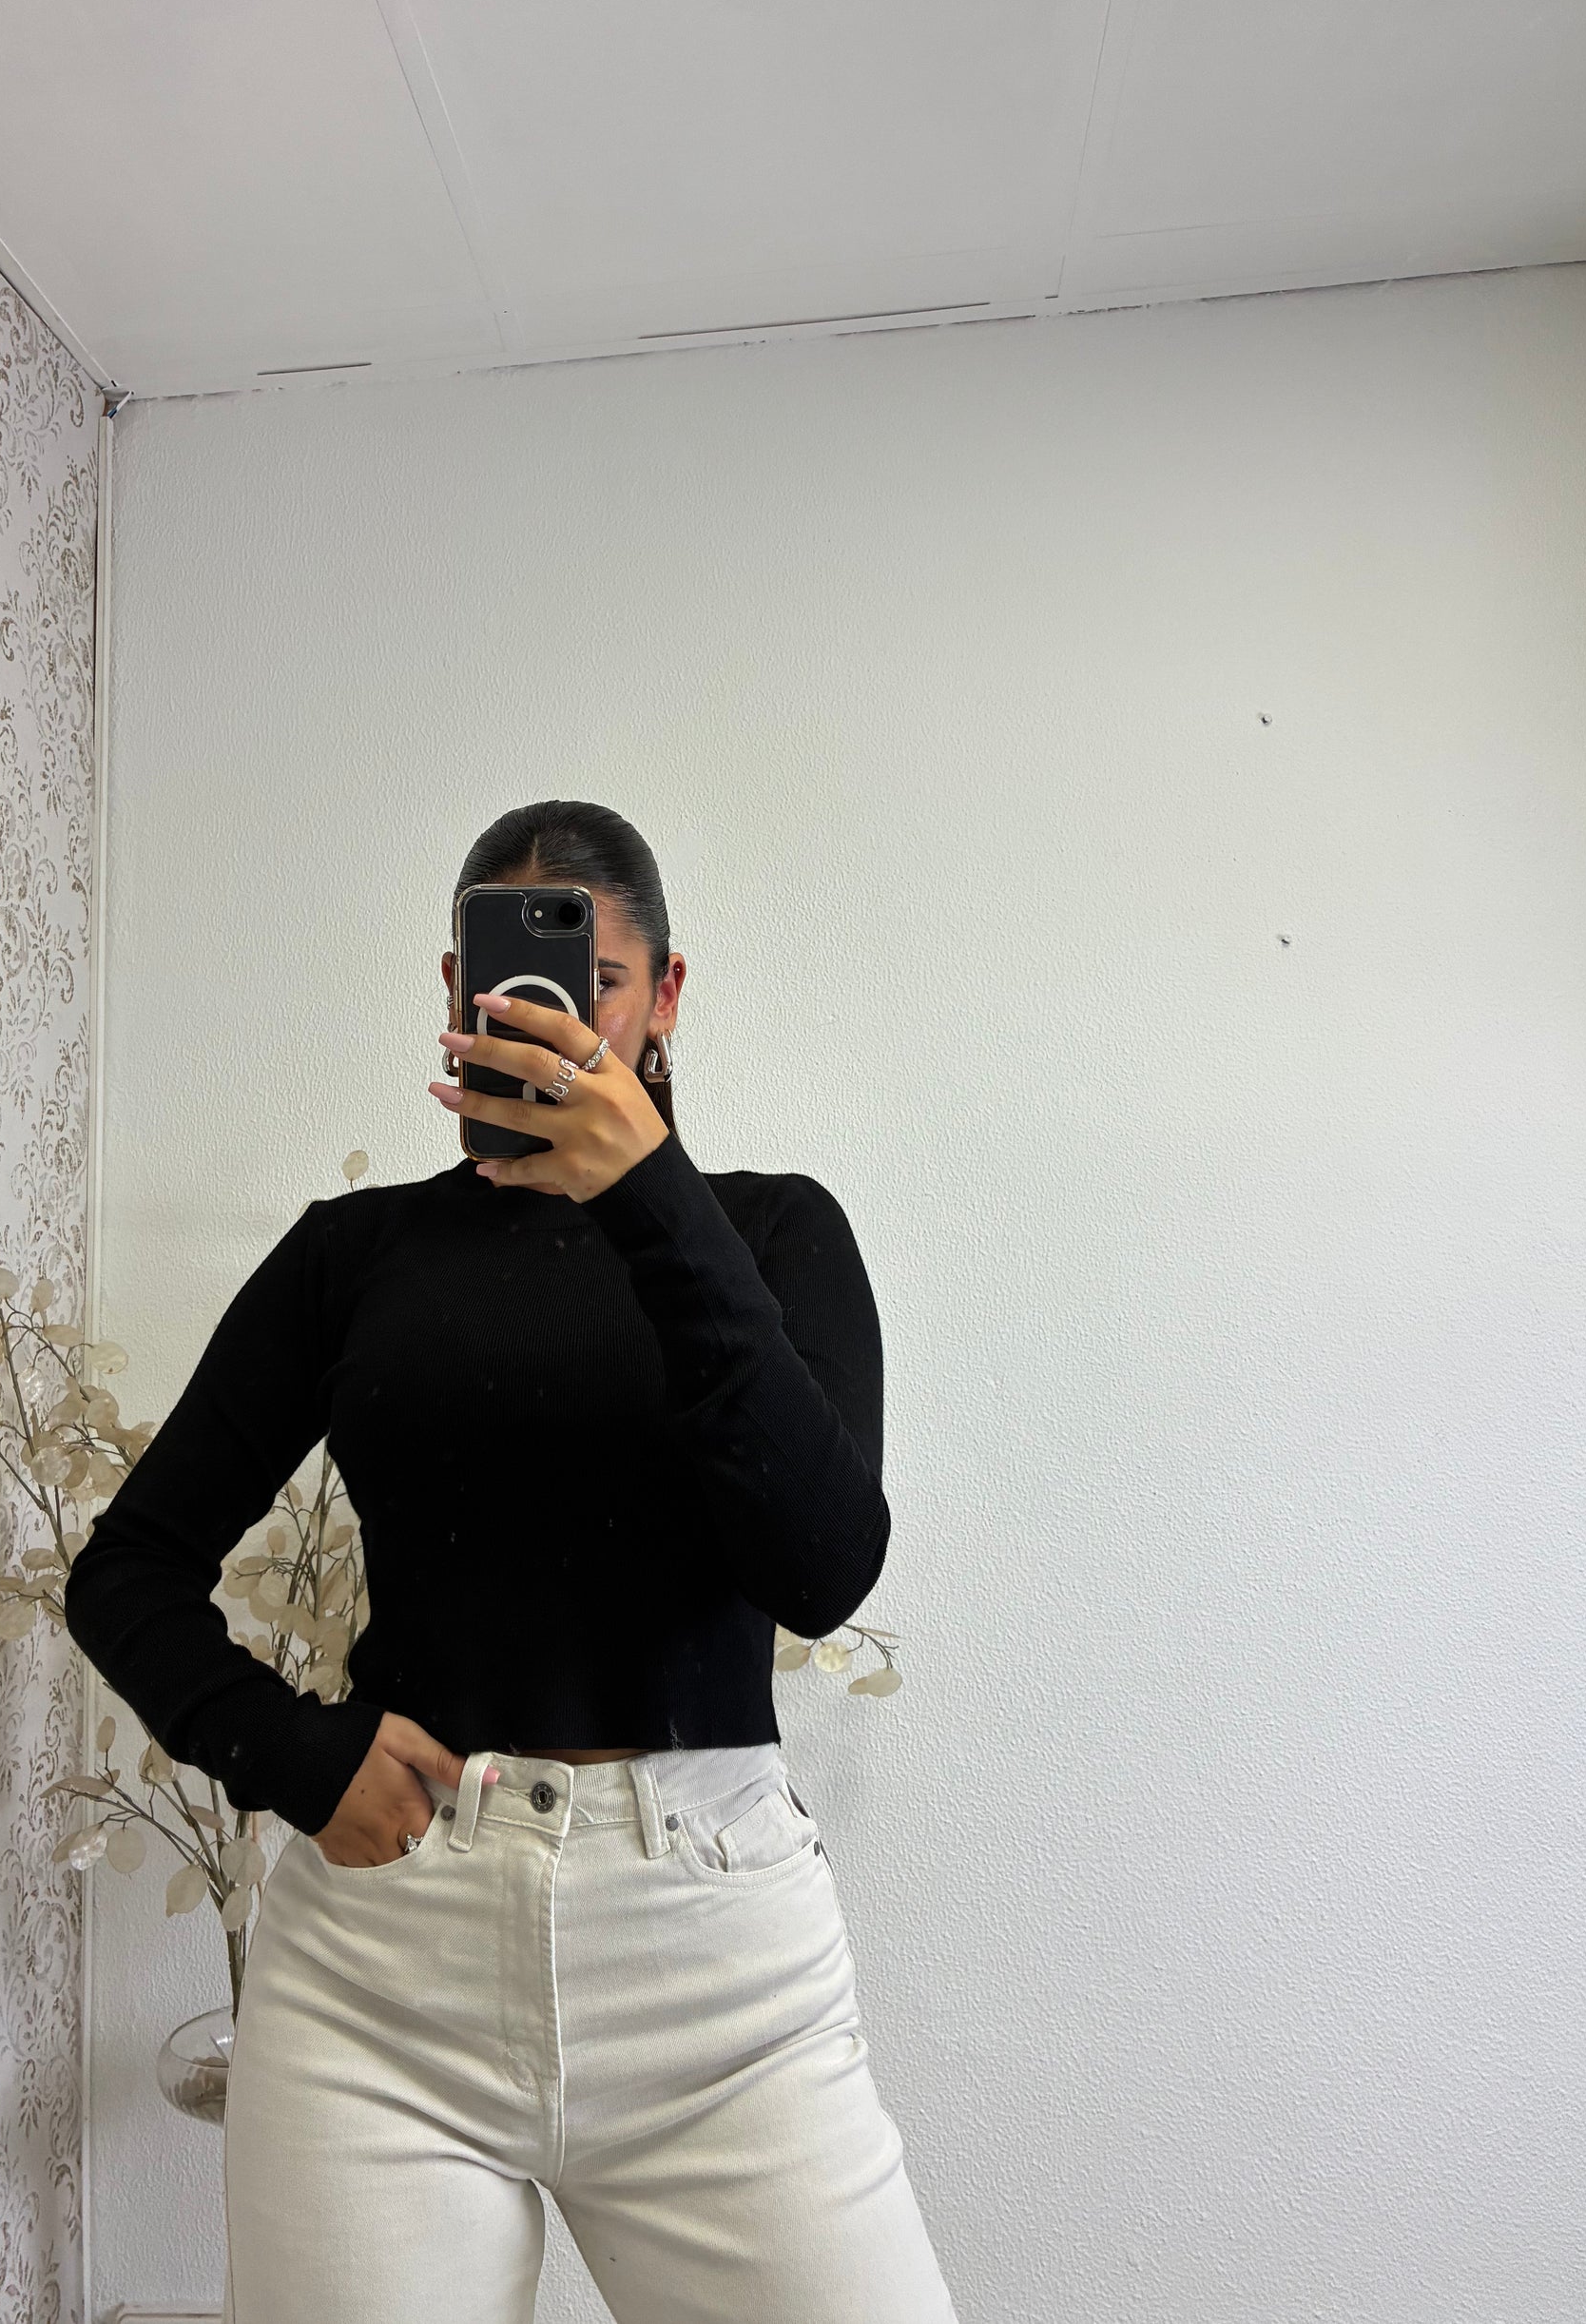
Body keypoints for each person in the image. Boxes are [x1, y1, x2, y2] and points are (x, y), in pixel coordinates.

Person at [62, 800, 959, 2322]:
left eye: (593, 982)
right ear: (452, 993)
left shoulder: (770, 1234)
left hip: (715, 1974)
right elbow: (128, 1568)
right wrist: (292, 1754)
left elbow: (820, 1565)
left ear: (664, 995)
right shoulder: (354, 1255)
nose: (552, 1019)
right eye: (510, 985)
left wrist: (648, 1196)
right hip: (381, 1975)